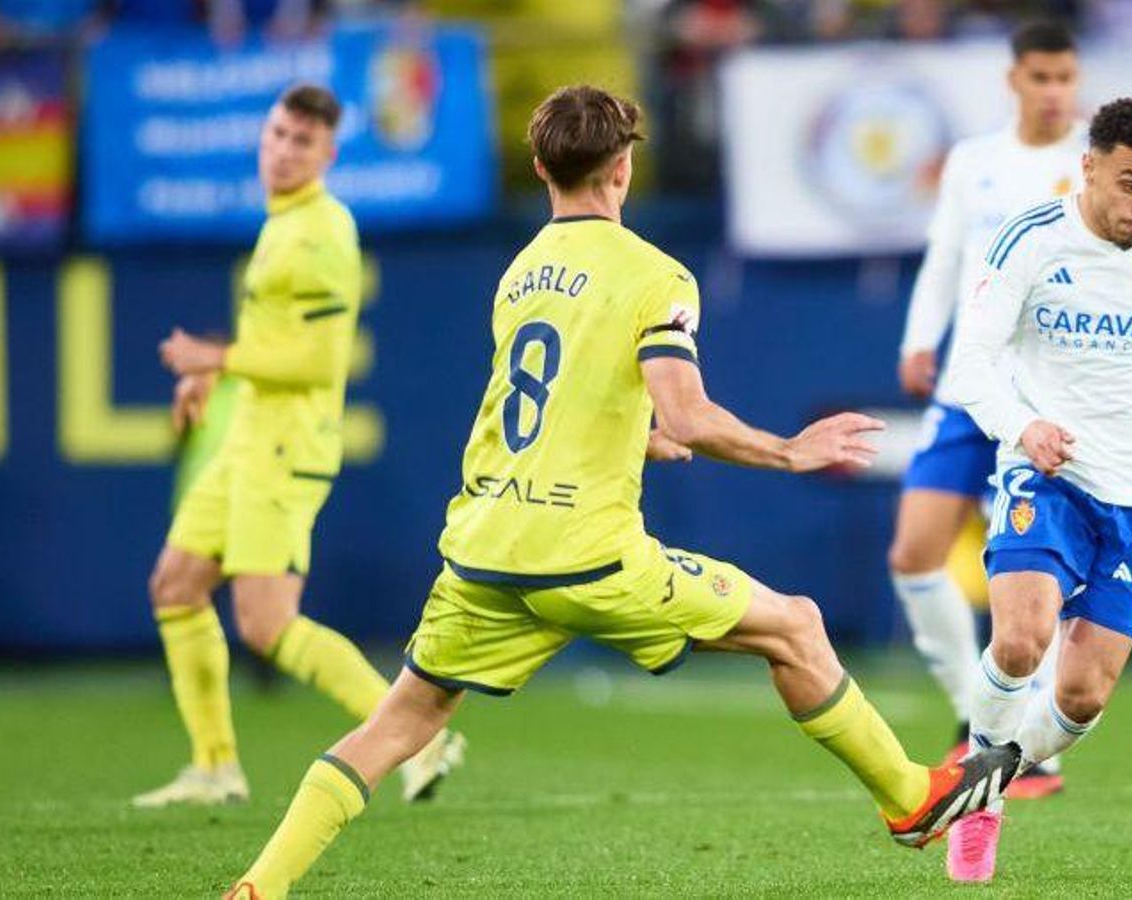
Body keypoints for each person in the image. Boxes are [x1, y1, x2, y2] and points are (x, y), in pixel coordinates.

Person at [221, 84, 1020, 898]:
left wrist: (635, 435)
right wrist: (787, 451)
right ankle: (910, 801)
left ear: (540, 168)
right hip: (586, 558)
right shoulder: (654, 272)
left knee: (400, 722)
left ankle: (259, 885)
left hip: (484, 550)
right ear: (625, 166)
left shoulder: (522, 271)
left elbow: (528, 406)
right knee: (796, 626)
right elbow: (690, 410)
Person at [945, 97, 1132, 880]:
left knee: (1081, 698)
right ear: (1088, 166)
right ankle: (975, 810)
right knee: (1019, 639)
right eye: (1130, 184)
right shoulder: (1032, 241)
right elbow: (973, 360)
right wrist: (1022, 427)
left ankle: (986, 781)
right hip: (1048, 476)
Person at [139, 84, 463, 809]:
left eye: (301, 142)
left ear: (328, 155)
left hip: (286, 448)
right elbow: (278, 343)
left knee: (266, 624)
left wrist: (216, 360)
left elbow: (319, 362)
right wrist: (215, 371)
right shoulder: (282, 224)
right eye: (278, 135)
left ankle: (422, 736)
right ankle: (215, 767)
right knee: (177, 584)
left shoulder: (321, 232)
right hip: (249, 438)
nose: (283, 151)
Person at [889, 21, 1083, 821]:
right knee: (913, 554)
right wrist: (915, 338)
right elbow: (945, 256)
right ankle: (984, 719)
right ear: (1014, 80)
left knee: (1035, 578)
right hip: (970, 383)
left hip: (1046, 394)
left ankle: (1017, 739)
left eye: (1066, 77)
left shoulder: (1094, 167)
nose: (1054, 92)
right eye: (1040, 76)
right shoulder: (974, 161)